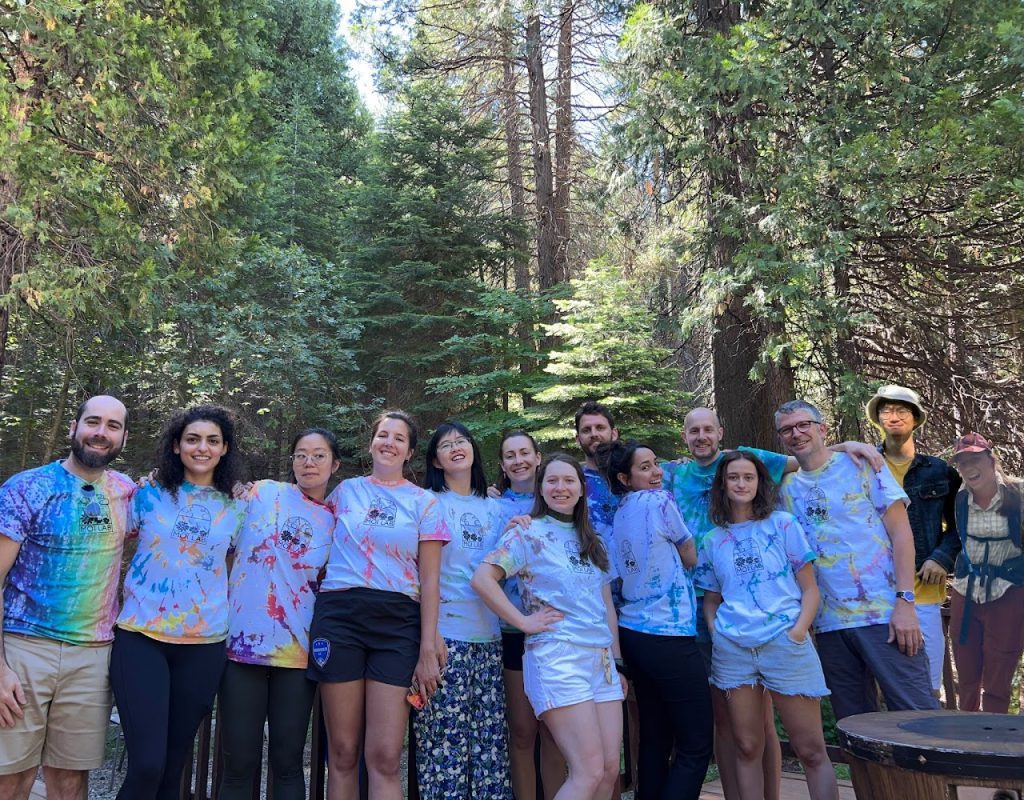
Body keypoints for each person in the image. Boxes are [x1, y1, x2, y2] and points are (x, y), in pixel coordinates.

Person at [308, 410, 449, 800]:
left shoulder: (425, 503)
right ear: (371, 443)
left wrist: (426, 645)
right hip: (340, 618)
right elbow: (300, 515)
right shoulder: (345, 493)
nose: (389, 442)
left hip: (398, 623)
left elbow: (431, 580)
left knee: (385, 756)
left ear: (410, 452)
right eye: (383, 435)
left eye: (399, 438)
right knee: (342, 752)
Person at [0, 395, 134, 800]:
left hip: (93, 657)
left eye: (113, 426)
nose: (101, 433)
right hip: (24, 649)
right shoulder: (27, 487)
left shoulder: (128, 494)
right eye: (93, 422)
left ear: (124, 438)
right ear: (73, 428)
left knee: (70, 779)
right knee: (10, 777)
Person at [111, 404, 247, 800]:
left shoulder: (238, 505)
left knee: (172, 767)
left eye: (212, 441)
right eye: (192, 439)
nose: (201, 448)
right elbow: (109, 544)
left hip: (204, 646)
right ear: (176, 445)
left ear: (224, 449)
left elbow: (238, 565)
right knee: (147, 764)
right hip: (141, 637)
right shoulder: (146, 494)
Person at [473, 454, 625, 800]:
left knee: (608, 772)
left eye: (569, 480)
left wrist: (617, 663)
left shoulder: (593, 541)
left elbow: (605, 607)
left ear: (582, 489)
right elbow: (483, 579)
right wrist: (523, 621)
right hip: (558, 658)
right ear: (541, 488)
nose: (561, 488)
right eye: (552, 481)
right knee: (587, 772)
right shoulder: (529, 533)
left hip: (600, 662)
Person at [775, 399, 938, 720]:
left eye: (804, 425)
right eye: (787, 430)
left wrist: (906, 603)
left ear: (821, 428)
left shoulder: (864, 466)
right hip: (829, 624)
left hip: (885, 616)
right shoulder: (786, 487)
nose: (796, 433)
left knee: (917, 718)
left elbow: (903, 535)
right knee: (854, 727)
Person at [697, 452, 838, 800]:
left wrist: (798, 632)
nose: (741, 484)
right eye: (733, 477)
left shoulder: (783, 524)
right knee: (746, 746)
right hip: (734, 650)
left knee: (810, 750)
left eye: (748, 477)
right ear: (723, 484)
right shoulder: (712, 540)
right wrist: (717, 633)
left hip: (784, 642)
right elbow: (712, 598)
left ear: (760, 483)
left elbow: (809, 589)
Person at [218, 428, 341, 799]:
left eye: (319, 455)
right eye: (301, 454)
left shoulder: (336, 519)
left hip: (297, 653)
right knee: (238, 765)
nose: (309, 462)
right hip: (241, 647)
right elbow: (219, 526)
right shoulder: (263, 492)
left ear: (334, 464)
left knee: (287, 763)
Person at [603, 440, 712, 800]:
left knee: (654, 738)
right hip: (669, 634)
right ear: (625, 476)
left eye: (656, 464)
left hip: (633, 633)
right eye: (645, 467)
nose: (656, 473)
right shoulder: (661, 501)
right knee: (696, 745)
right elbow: (691, 554)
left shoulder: (619, 512)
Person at [415, 422, 512, 799]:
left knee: (489, 750)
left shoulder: (497, 508)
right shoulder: (427, 503)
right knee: (443, 750)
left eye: (461, 441)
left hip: (489, 639)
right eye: (445, 444)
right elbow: (419, 575)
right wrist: (429, 636)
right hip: (443, 641)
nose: (455, 448)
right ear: (435, 460)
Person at [866, 385, 961, 696]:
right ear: (878, 418)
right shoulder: (862, 466)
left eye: (902, 410)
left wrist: (942, 557)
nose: (894, 417)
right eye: (886, 411)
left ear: (916, 418)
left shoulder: (939, 471)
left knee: (927, 685)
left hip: (923, 595)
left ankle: (926, 744)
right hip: (875, 592)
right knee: (884, 687)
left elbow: (962, 524)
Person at [494, 431, 565, 800]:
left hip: (555, 631)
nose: (518, 460)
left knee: (555, 731)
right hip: (512, 630)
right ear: (503, 466)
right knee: (522, 732)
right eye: (510, 455)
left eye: (525, 453)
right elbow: (483, 570)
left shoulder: (557, 495)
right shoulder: (493, 506)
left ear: (538, 457)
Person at [948, 433, 1024, 713]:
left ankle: (993, 742)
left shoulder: (1018, 495)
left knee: (997, 678)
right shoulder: (958, 499)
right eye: (962, 462)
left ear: (991, 461)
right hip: (965, 591)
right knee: (966, 675)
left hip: (1008, 592)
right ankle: (966, 739)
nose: (969, 468)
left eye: (975, 459)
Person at [574, 401, 620, 546]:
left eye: (600, 428)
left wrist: (685, 465)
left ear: (614, 434)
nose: (594, 434)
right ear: (578, 439)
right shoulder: (571, 481)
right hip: (592, 563)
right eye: (586, 430)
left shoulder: (635, 474)